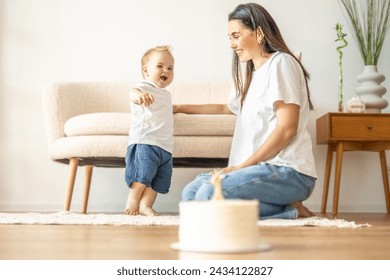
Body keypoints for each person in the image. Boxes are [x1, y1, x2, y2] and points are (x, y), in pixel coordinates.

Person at [174, 3, 317, 219]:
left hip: (288, 171)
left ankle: (289, 210)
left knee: (207, 194)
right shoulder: (250, 74)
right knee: (190, 194)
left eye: (236, 36)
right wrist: (178, 108)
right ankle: (286, 209)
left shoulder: (282, 63)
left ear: (258, 33)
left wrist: (241, 167)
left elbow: (287, 129)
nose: (231, 44)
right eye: (229, 38)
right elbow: (226, 108)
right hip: (257, 170)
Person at [125, 45, 175, 216]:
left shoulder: (166, 95)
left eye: (170, 68)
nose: (166, 70)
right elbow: (132, 93)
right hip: (146, 141)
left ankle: (145, 205)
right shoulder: (143, 87)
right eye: (160, 66)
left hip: (165, 147)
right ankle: (132, 200)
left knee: (159, 181)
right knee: (143, 173)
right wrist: (139, 97)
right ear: (146, 70)